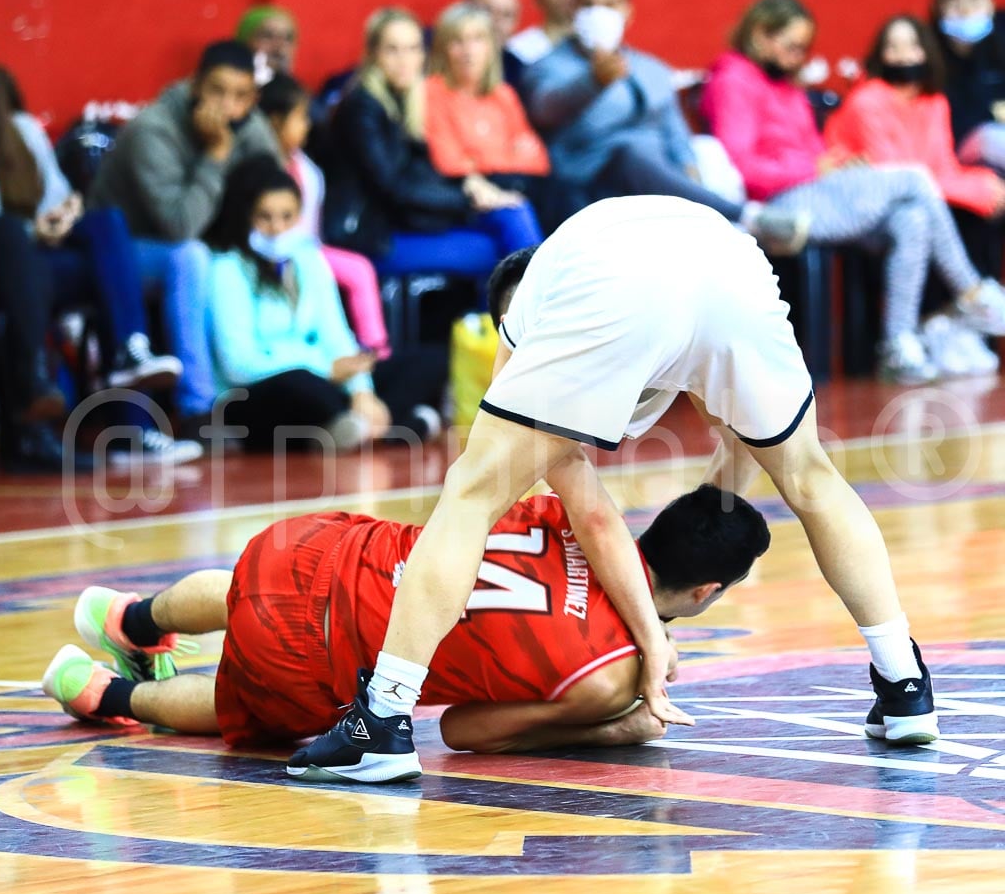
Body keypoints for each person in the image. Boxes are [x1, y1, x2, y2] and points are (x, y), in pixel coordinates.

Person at [270, 195, 945, 785]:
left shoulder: (536, 311)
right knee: (812, 477)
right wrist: (709, 541)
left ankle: (383, 719)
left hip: (631, 278)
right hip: (734, 267)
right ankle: (903, 683)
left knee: (470, 494)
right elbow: (737, 453)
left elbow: (590, 512)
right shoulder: (595, 257)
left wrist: (652, 639)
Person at [41, 483, 770, 768]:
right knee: (242, 705)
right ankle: (103, 695)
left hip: (318, 549)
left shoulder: (572, 508)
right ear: (707, 590)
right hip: (320, 655)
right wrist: (616, 728)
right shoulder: (611, 676)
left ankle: (128, 617)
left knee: (243, 586)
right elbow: (462, 731)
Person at [700, 0, 1005, 384]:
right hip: (773, 205)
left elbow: (812, 148)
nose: (799, 57)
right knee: (913, 177)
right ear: (761, 35)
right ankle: (970, 291)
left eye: (804, 49)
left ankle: (898, 343)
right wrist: (814, 166)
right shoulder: (733, 81)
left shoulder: (784, 84)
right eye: (793, 47)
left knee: (911, 217)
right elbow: (740, 167)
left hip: (813, 189)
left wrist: (839, 163)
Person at [0, 37, 190, 469]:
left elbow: (57, 197)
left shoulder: (21, 132)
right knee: (8, 236)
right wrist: (29, 230)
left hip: (34, 264)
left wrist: (64, 214)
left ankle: (131, 359)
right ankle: (33, 383)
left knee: (103, 224)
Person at [522, 0, 806, 252]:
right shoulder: (547, 66)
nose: (599, 14)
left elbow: (675, 132)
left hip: (658, 177)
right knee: (632, 149)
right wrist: (593, 81)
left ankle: (711, 213)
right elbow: (547, 108)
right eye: (588, 4)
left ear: (627, 11)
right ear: (574, 10)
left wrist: (689, 172)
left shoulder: (652, 69)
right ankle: (739, 215)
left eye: (609, 5)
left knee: (661, 154)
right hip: (590, 180)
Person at [89, 41, 280, 431]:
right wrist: (216, 155)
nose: (228, 105)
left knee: (269, 250)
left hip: (195, 246)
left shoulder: (251, 125)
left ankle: (269, 387)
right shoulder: (153, 129)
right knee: (191, 256)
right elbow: (179, 226)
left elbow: (276, 192)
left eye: (241, 95)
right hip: (122, 252)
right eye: (217, 91)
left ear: (253, 98)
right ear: (195, 86)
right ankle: (199, 407)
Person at [205, 156, 445, 450]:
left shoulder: (309, 259)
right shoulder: (227, 268)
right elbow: (238, 364)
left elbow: (336, 334)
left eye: (287, 216)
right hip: (256, 391)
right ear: (245, 217)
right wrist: (325, 368)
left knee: (431, 360)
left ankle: (351, 424)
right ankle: (397, 425)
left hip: (327, 378)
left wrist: (361, 391)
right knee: (303, 385)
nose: (277, 228)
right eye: (264, 217)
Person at [825, 14, 1005, 377]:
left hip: (916, 202)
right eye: (893, 47)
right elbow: (896, 173)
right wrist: (968, 188)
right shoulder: (867, 99)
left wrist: (982, 184)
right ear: (880, 56)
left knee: (955, 210)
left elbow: (942, 166)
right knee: (925, 201)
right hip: (862, 203)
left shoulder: (935, 101)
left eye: (911, 45)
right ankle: (970, 293)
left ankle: (932, 331)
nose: (903, 54)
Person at [323, 7, 542, 277]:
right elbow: (394, 188)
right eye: (393, 49)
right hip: (368, 236)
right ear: (372, 54)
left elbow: (419, 169)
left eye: (413, 49)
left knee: (512, 213)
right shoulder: (362, 107)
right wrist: (467, 198)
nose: (404, 60)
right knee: (495, 251)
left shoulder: (401, 100)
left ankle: (506, 316)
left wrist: (468, 183)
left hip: (404, 225)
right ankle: (520, 314)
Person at [258, 72, 390, 357]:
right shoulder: (259, 168)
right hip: (266, 252)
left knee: (358, 269)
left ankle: (375, 349)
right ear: (274, 122)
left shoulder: (307, 168)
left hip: (310, 250)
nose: (307, 125)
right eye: (300, 118)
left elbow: (312, 227)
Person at [426, 2, 561, 228]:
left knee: (569, 196)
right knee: (519, 213)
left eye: (477, 39)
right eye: (457, 41)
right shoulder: (431, 92)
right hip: (465, 192)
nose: (468, 51)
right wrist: (506, 155)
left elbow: (538, 161)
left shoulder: (503, 94)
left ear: (491, 46)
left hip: (517, 183)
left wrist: (475, 157)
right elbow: (449, 164)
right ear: (442, 48)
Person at [929, 0, 1005, 175]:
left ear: (991, 2)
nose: (965, 10)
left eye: (975, 0)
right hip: (957, 151)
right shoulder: (927, 53)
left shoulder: (1001, 40)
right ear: (939, 6)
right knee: (992, 137)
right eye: (954, 1)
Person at [467, 0, 525, 86]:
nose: (496, 21)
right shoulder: (433, 50)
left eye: (506, 15)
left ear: (516, 24)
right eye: (487, 10)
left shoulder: (518, 72)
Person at [235, 5, 299, 75]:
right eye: (268, 36)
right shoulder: (227, 84)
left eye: (288, 38)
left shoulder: (298, 86)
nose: (279, 44)